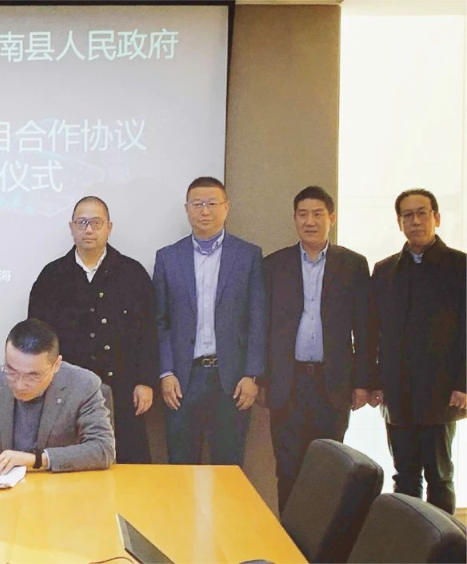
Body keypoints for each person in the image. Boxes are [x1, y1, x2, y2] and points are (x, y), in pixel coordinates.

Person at [263, 186, 371, 511]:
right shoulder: (274, 264)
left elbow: (365, 328)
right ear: (294, 218)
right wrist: (262, 380)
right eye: (303, 214)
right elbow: (263, 327)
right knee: (288, 469)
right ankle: (289, 539)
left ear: (331, 218)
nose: (310, 221)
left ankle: (323, 541)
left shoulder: (353, 264)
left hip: (332, 384)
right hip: (288, 383)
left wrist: (363, 382)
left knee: (329, 471)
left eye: (318, 214)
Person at [29, 195, 157, 464]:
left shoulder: (132, 274)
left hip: (123, 389)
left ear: (109, 227)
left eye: (96, 223)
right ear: (71, 227)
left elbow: (148, 334)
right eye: (82, 222)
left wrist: (145, 381)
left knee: (127, 465)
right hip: (65, 392)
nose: (89, 229)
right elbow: (37, 339)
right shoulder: (52, 276)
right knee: (69, 464)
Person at [153, 176, 266, 465]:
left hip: (231, 379)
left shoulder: (248, 255)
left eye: (212, 204)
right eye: (197, 204)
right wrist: (166, 372)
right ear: (187, 209)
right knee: (181, 465)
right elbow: (160, 321)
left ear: (226, 207)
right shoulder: (168, 257)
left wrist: (252, 375)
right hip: (182, 379)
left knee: (228, 467)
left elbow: (257, 318)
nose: (205, 211)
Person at [369, 188, 466, 514]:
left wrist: (464, 382)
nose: (415, 221)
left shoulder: (460, 266)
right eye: (407, 215)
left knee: (440, 476)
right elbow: (374, 331)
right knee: (405, 476)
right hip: (398, 392)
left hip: (442, 392)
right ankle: (408, 540)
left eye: (422, 213)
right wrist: (375, 380)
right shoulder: (386, 270)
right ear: (399, 223)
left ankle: (444, 543)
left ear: (436, 218)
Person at [0, 319, 115, 475]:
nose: (19, 384)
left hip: (62, 490)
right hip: (3, 491)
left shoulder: (83, 384)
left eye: (33, 376)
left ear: (56, 365)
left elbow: (103, 448)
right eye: (11, 371)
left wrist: (37, 459)